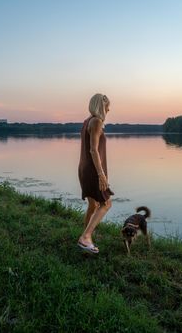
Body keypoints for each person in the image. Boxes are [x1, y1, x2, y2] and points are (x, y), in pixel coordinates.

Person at [77, 93, 114, 254]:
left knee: (93, 205)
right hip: (92, 170)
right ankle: (85, 238)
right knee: (106, 204)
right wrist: (101, 175)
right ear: (101, 106)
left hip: (83, 168)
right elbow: (93, 150)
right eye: (107, 106)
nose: (109, 109)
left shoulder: (87, 122)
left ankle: (85, 238)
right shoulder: (97, 121)